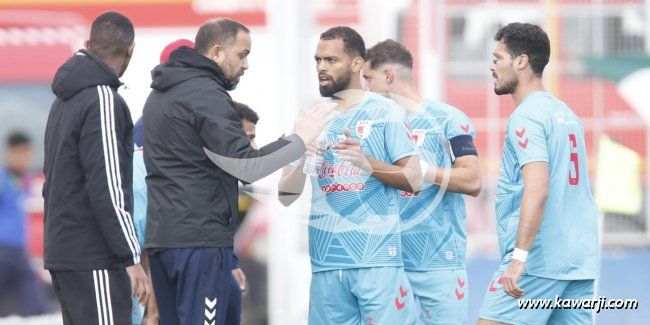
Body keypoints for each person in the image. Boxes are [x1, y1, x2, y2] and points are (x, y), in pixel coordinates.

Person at [142, 18, 333, 325]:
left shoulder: (159, 94)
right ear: (217, 52)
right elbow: (247, 166)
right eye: (243, 54)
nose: (246, 65)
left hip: (163, 241)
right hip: (199, 245)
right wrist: (299, 140)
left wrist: (229, 258)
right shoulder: (206, 94)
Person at [277, 26, 422, 324]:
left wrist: (367, 163)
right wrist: (302, 154)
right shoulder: (309, 118)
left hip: (377, 261)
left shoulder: (386, 113)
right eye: (318, 60)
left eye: (331, 60)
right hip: (326, 264)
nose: (321, 67)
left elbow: (415, 179)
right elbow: (286, 196)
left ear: (357, 63)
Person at [478, 23, 599, 325]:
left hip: (537, 261)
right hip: (578, 262)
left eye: (498, 58)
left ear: (521, 62)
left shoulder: (527, 116)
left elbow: (538, 189)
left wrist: (519, 258)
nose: (492, 66)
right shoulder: (566, 114)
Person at [362, 39, 482, 324]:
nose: (364, 88)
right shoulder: (373, 125)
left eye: (368, 78)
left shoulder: (447, 119)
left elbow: (472, 180)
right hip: (388, 260)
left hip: (438, 259)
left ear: (388, 76)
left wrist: (420, 168)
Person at [43, 11, 150, 325]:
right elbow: (107, 184)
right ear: (130, 49)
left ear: (89, 43)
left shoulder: (63, 99)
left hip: (64, 251)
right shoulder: (102, 98)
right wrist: (130, 257)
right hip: (94, 256)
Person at [0, 132, 49, 317]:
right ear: (10, 153)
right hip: (2, 251)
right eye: (21, 153)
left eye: (28, 153)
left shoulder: (27, 181)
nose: (25, 158)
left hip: (20, 252)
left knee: (36, 305)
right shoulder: (3, 180)